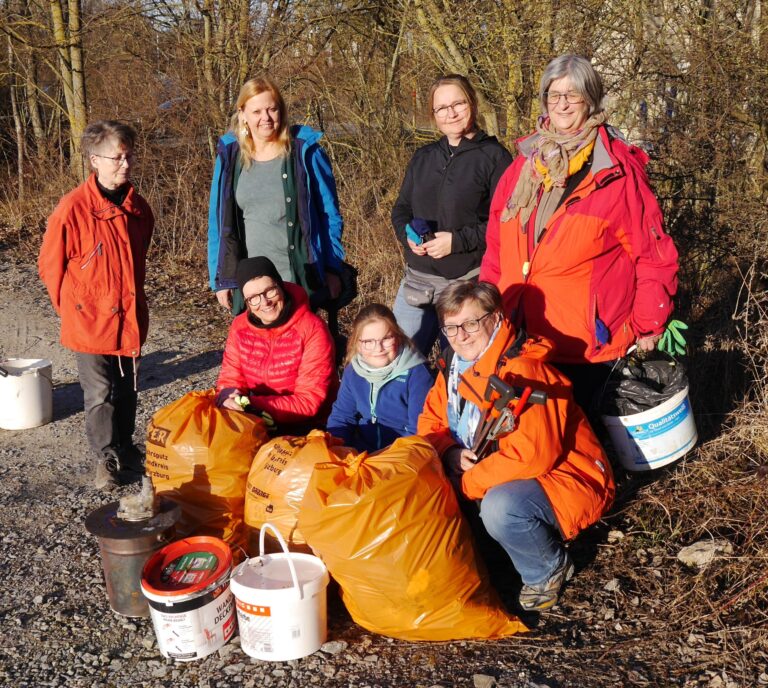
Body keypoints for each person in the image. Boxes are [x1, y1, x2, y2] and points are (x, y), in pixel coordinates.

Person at [480, 54, 679, 411]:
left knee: (591, 445)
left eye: (573, 95)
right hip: (522, 333)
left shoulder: (616, 171)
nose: (563, 104)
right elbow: (496, 246)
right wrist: (487, 307)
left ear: (591, 100)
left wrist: (649, 322)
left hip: (586, 343)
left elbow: (653, 254)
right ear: (544, 101)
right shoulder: (523, 166)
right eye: (554, 95)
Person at [417, 281, 614, 611]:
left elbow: (531, 457)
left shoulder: (524, 370)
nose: (460, 335)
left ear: (495, 318)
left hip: (568, 478)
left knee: (500, 508)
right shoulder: (453, 368)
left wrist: (465, 484)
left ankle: (546, 569)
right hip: (488, 472)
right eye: (451, 327)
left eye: (470, 323)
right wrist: (449, 452)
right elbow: (430, 424)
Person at [38, 120, 154, 489]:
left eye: (129, 155)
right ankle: (106, 456)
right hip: (89, 322)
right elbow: (50, 267)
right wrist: (75, 310)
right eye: (117, 156)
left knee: (128, 388)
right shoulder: (72, 209)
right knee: (100, 393)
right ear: (94, 160)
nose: (125, 163)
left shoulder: (139, 209)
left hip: (129, 317)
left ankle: (126, 446)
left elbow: (139, 259)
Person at [391, 74, 512, 356]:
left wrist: (457, 242)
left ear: (472, 103)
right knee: (398, 364)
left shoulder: (495, 157)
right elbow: (401, 209)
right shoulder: (423, 157)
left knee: (463, 369)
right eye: (442, 108)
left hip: (467, 285)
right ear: (433, 114)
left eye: (458, 104)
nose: (451, 113)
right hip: (417, 283)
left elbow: (505, 224)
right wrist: (407, 236)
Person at [207, 76, 345, 316]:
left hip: (299, 277)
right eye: (257, 111)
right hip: (251, 285)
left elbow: (329, 214)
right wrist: (220, 278)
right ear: (243, 114)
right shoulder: (230, 156)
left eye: (272, 109)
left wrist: (332, 268)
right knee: (256, 352)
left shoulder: (304, 151)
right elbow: (218, 222)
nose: (266, 118)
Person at [216, 256, 337, 433]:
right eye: (253, 298)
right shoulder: (239, 326)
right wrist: (229, 395)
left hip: (310, 425)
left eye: (270, 291)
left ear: (280, 286)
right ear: (246, 302)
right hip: (259, 416)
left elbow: (309, 401)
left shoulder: (312, 328)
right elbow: (231, 377)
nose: (265, 302)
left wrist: (250, 403)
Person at [326, 304, 433, 452]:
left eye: (386, 338)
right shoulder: (353, 371)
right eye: (369, 342)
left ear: (398, 337)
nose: (379, 348)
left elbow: (420, 430)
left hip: (403, 456)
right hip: (361, 453)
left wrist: (383, 458)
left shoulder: (417, 374)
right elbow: (342, 417)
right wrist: (336, 447)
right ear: (357, 343)